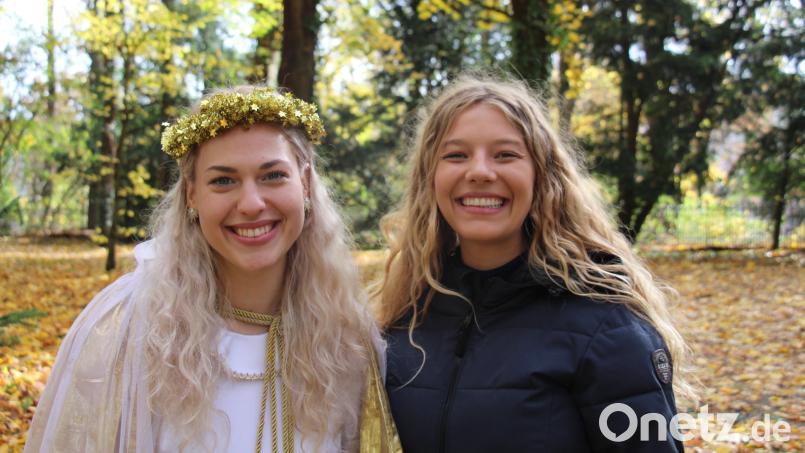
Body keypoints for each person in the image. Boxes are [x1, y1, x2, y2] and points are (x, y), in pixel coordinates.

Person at [25, 86, 401, 453]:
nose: (252, 203)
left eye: (273, 175)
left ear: (304, 184)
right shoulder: (130, 327)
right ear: (192, 195)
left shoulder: (346, 338)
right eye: (223, 180)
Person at [375, 75, 696, 452]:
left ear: (542, 176)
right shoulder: (404, 320)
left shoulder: (606, 327)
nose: (479, 171)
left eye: (505, 155)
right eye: (456, 155)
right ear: (430, 178)